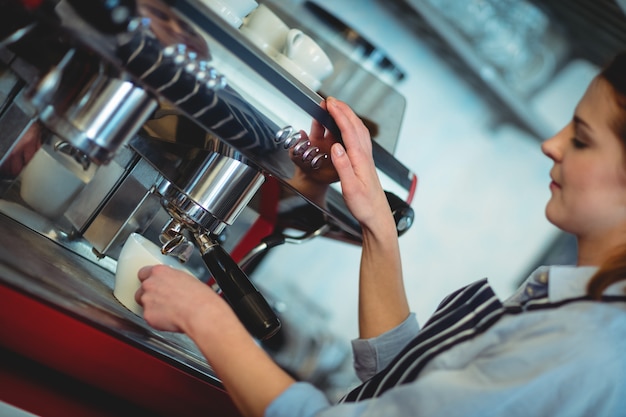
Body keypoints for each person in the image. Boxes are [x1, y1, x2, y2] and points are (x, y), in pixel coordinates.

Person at [134, 50, 626, 417]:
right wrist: (376, 223)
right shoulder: (575, 307)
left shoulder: (589, 351)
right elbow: (401, 385)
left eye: (581, 139)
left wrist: (207, 318)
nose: (551, 143)